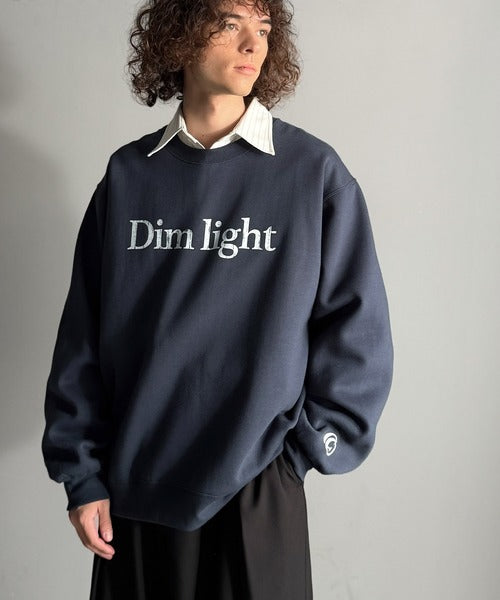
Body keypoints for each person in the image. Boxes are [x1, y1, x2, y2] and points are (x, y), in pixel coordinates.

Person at [41, 0, 394, 598]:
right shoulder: (129, 175)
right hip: (136, 486)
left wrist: (302, 452)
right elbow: (82, 337)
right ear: (179, 34)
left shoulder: (312, 173)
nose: (253, 45)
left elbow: (359, 329)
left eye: (263, 29)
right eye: (230, 24)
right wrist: (83, 476)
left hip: (259, 484)